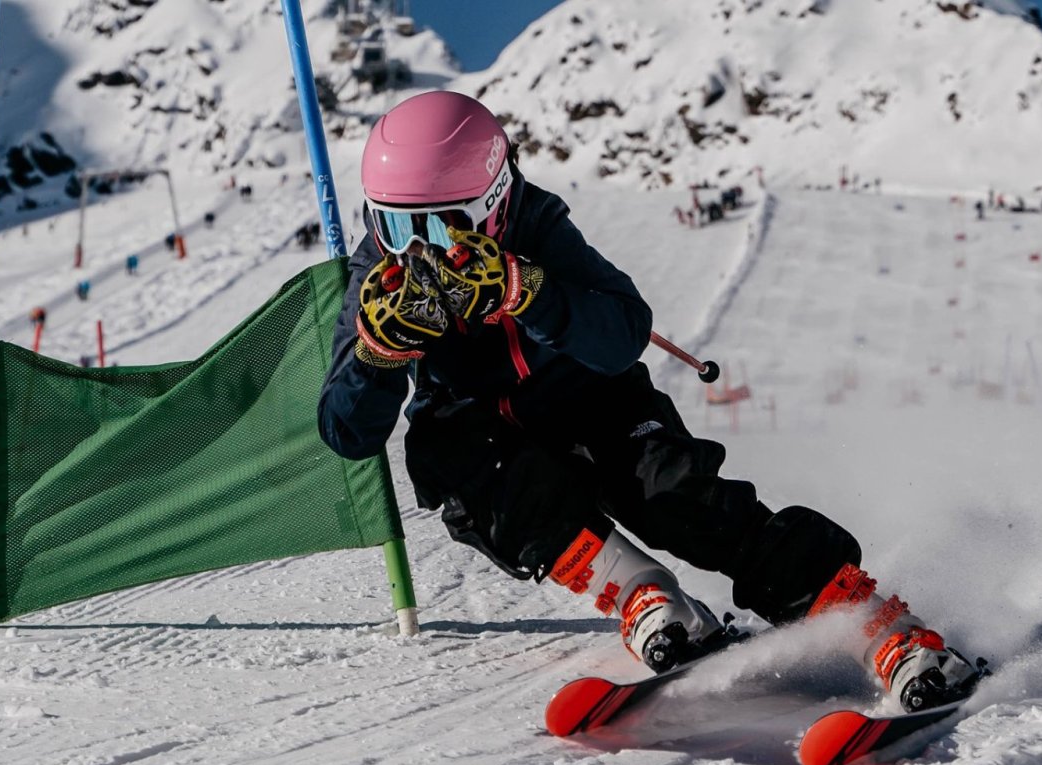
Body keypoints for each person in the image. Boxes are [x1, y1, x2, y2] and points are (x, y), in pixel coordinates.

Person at [316, 91, 984, 714]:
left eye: (443, 226)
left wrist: (527, 289)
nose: (422, 251)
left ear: (493, 203)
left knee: (678, 501)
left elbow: (623, 333)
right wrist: (378, 353)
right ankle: (646, 596)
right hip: (492, 437)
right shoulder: (379, 275)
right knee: (450, 454)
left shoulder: (535, 227)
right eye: (397, 226)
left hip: (595, 402)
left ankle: (883, 631)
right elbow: (346, 431)